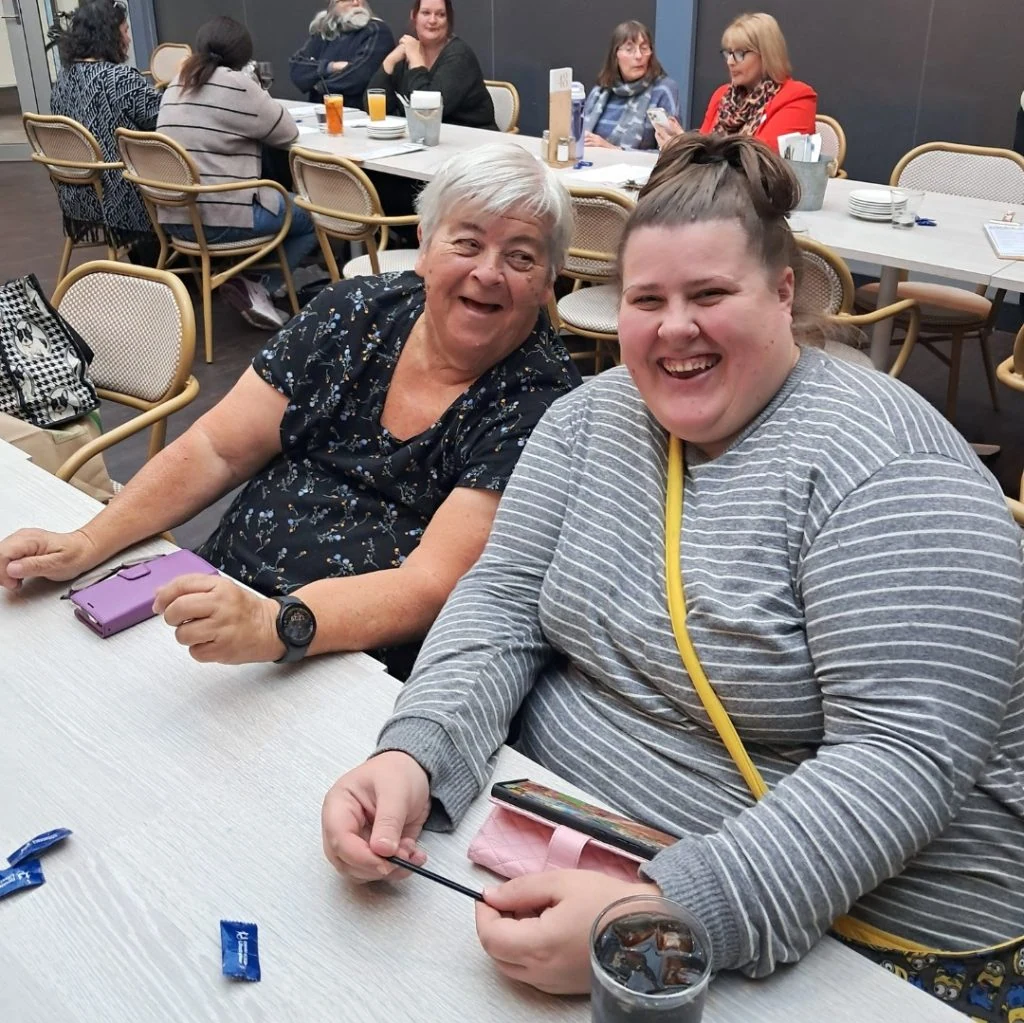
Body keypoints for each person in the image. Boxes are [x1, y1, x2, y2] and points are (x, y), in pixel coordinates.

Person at [319, 135, 1024, 1022]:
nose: (673, 329)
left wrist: (664, 916)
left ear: (783, 292)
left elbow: (901, 756)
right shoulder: (584, 422)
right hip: (564, 855)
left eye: (710, 295)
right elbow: (501, 605)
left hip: (843, 930)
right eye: (646, 299)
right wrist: (414, 751)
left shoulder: (889, 469)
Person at [0, 144, 581, 680]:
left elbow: (430, 584)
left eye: (521, 256)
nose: (488, 271)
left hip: (343, 658)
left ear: (549, 281)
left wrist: (276, 624)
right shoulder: (354, 314)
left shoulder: (540, 402)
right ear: (427, 244)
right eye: (468, 242)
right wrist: (87, 541)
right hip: (219, 597)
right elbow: (217, 450)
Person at [155, 17, 320, 330]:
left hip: (176, 217)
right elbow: (286, 131)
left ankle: (250, 280)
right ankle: (259, 285)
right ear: (244, 54)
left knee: (281, 202)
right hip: (221, 220)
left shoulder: (178, 82)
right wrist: (256, 88)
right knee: (314, 213)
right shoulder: (237, 85)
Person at [48, 0, 160, 252]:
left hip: (79, 195)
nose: (129, 39)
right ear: (109, 36)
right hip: (122, 195)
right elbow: (165, 119)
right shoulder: (120, 79)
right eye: (125, 31)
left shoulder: (63, 82)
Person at [655, 12, 816, 155]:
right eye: (728, 53)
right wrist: (681, 150)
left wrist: (689, 149)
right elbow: (704, 149)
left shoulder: (797, 97)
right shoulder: (722, 95)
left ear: (766, 55)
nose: (730, 62)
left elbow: (761, 159)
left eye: (739, 54)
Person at [367, 0, 496, 130]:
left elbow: (428, 112)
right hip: (425, 141)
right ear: (414, 16)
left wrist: (417, 63)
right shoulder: (407, 52)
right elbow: (372, 109)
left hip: (474, 140)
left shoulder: (459, 56)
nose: (433, 20)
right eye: (426, 13)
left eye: (440, 14)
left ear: (448, 20)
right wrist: (390, 61)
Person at [583, 20, 679, 152]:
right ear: (615, 55)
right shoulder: (600, 90)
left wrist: (614, 150)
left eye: (644, 48)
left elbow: (671, 151)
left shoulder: (663, 89)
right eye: (630, 50)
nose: (639, 56)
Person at [289, 0, 395, 108]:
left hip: (358, 114)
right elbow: (297, 68)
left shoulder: (376, 30)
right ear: (333, 6)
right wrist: (331, 67)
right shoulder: (327, 31)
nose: (356, 3)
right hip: (320, 112)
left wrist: (318, 84)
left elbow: (359, 76)